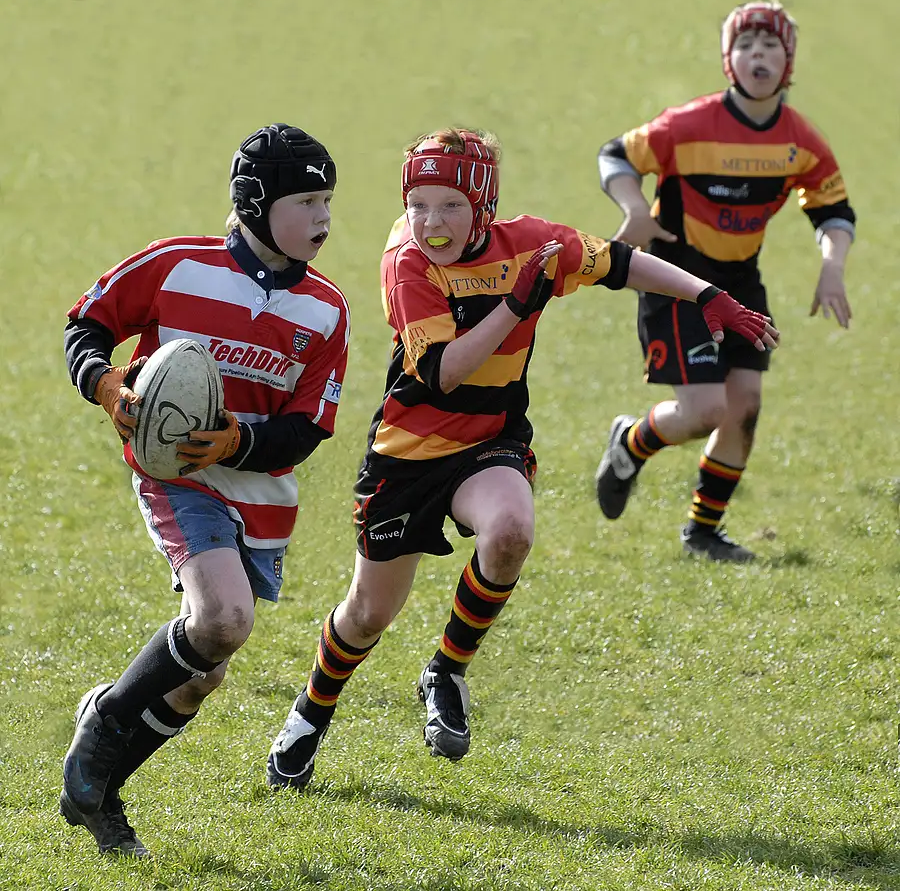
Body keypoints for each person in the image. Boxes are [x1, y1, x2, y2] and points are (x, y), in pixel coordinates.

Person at [265, 127, 778, 790]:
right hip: (407, 454)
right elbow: (444, 373)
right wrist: (516, 305)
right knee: (368, 614)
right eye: (418, 204)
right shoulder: (407, 261)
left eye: (450, 206)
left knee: (510, 532)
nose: (431, 222)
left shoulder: (530, 244)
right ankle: (312, 712)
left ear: (484, 206)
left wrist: (708, 296)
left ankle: (446, 670)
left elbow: (620, 263)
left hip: (490, 441)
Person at [60, 124, 350, 856]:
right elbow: (86, 326)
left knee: (201, 676)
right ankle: (105, 723)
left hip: (260, 499)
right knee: (223, 618)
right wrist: (107, 385)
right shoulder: (176, 265)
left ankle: (99, 791)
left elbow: (308, 428)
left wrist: (235, 443)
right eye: (305, 202)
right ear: (254, 203)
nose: (322, 218)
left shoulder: (326, 310)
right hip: (176, 478)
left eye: (327, 201)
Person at [594, 0, 855, 561]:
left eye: (770, 45)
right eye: (745, 45)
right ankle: (631, 442)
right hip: (675, 275)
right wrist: (634, 208)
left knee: (745, 404)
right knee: (707, 410)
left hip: (740, 279)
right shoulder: (688, 124)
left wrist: (832, 266)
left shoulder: (800, 140)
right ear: (727, 60)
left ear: (788, 61)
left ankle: (702, 533)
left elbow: (833, 210)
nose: (758, 54)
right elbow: (615, 155)